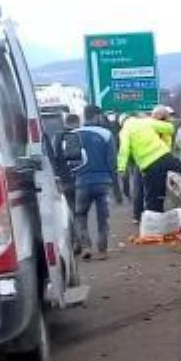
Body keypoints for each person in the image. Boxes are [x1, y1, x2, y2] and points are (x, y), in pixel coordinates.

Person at [118, 104, 181, 214]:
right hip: (163, 155)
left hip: (149, 164)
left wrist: (121, 168)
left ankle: (154, 218)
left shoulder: (125, 131)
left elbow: (124, 150)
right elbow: (169, 128)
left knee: (152, 195)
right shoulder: (145, 121)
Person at [72, 105, 118, 260]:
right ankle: (102, 249)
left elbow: (70, 161)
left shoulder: (73, 134)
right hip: (103, 182)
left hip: (81, 182)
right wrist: (115, 184)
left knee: (80, 215)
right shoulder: (106, 134)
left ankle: (86, 246)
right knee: (103, 217)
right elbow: (112, 161)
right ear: (97, 116)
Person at [54, 113, 81, 215]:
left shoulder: (58, 136)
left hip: (64, 177)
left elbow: (55, 156)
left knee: (70, 205)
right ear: (77, 123)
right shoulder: (79, 134)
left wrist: (57, 175)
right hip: (79, 176)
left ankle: (76, 225)